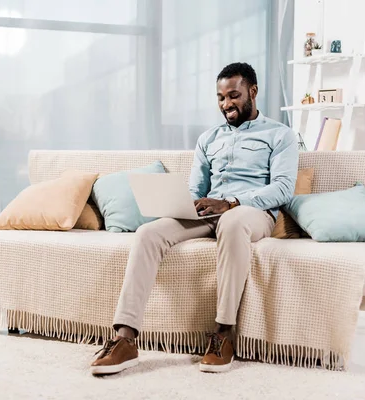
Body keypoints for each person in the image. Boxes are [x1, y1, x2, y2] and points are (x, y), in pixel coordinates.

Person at [90, 62, 298, 375]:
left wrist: (230, 202)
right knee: (148, 233)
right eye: (220, 97)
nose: (226, 104)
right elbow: (195, 189)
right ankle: (125, 339)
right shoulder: (208, 139)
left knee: (231, 221)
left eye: (234, 95)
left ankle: (223, 334)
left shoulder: (280, 135)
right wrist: (184, 203)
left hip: (250, 213)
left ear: (253, 92)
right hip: (209, 213)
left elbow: (283, 188)